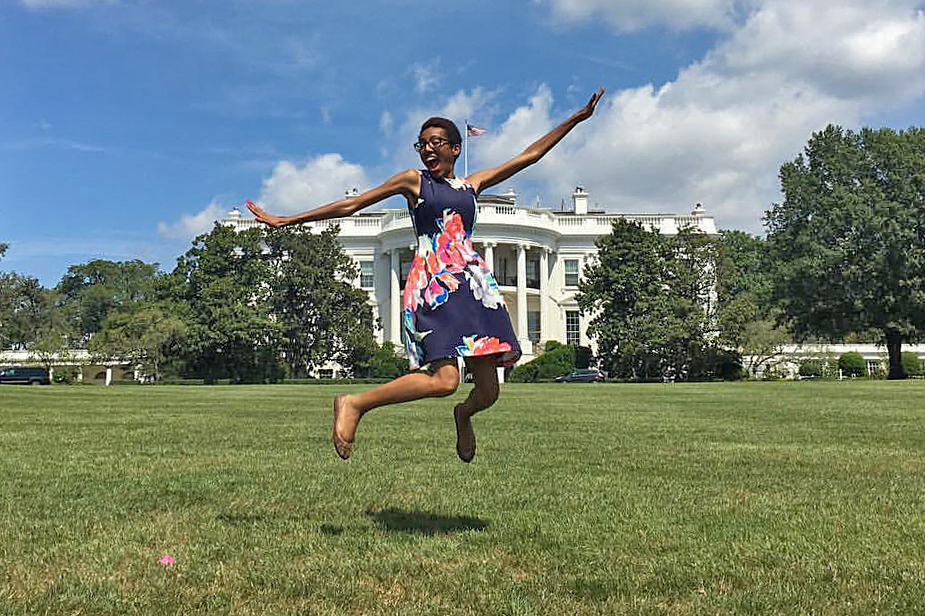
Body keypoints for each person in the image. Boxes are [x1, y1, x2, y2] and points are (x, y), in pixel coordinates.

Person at [247, 87, 605, 462]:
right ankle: (354, 404)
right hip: (433, 282)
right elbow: (354, 203)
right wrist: (288, 219)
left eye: (437, 142)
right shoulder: (414, 181)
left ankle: (463, 415)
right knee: (445, 380)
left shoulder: (472, 185)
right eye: (422, 144)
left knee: (488, 393)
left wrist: (575, 119)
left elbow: (529, 156)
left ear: (455, 149)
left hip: (474, 284)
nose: (429, 149)